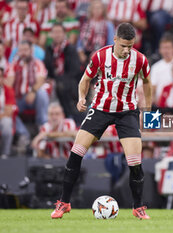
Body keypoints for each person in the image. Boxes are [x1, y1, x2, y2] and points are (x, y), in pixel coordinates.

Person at [50, 23, 152, 220]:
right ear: (114, 40)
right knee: (76, 152)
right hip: (100, 109)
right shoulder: (100, 56)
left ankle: (138, 208)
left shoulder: (140, 60)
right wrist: (81, 98)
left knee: (135, 162)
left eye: (130, 46)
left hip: (127, 112)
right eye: (123, 45)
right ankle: (64, 203)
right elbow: (84, 80)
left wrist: (147, 111)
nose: (127, 50)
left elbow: (147, 84)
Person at [44, 23, 83, 123]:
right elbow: (47, 67)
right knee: (47, 87)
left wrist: (58, 80)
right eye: (55, 32)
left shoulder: (70, 49)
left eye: (59, 32)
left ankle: (69, 116)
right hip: (55, 80)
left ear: (64, 34)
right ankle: (46, 119)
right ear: (51, 35)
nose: (57, 35)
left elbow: (74, 70)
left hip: (70, 81)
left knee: (62, 86)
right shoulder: (49, 49)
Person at [0, 68, 16, 158]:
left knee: (7, 122)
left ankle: (5, 154)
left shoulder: (8, 90)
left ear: (3, 78)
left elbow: (8, 112)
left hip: (2, 119)